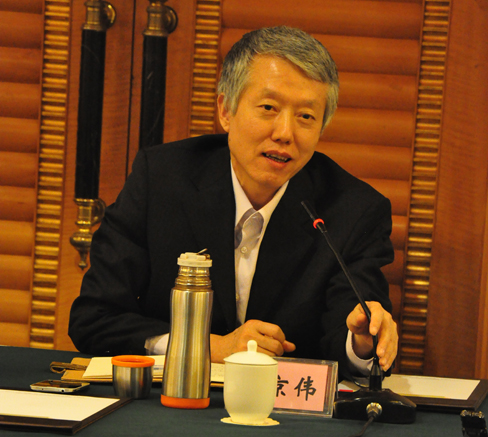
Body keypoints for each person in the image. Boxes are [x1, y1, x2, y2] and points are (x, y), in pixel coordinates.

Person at [69, 26, 398, 379]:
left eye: (305, 116)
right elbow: (94, 318)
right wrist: (203, 347)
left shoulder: (354, 212)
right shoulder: (162, 180)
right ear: (226, 110)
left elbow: (352, 330)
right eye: (269, 108)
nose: (285, 133)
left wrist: (362, 343)